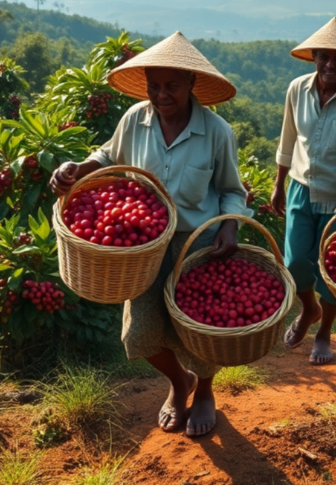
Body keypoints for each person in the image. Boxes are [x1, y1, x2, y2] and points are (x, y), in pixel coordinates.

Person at [50, 31, 249, 438]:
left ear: (191, 83)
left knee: (198, 329)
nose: (161, 95)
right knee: (139, 333)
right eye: (154, 86)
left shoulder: (217, 132)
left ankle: (204, 390)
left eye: (171, 85)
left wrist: (230, 225)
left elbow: (232, 190)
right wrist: (78, 168)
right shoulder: (134, 120)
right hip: (143, 245)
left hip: (196, 242)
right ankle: (179, 381)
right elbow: (108, 155)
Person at [271, 16, 336, 365]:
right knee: (294, 262)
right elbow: (288, 140)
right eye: (325, 57)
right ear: (314, 57)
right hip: (300, 189)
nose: (331, 64)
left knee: (335, 271)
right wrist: (278, 185)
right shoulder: (296, 90)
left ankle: (324, 332)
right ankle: (309, 309)